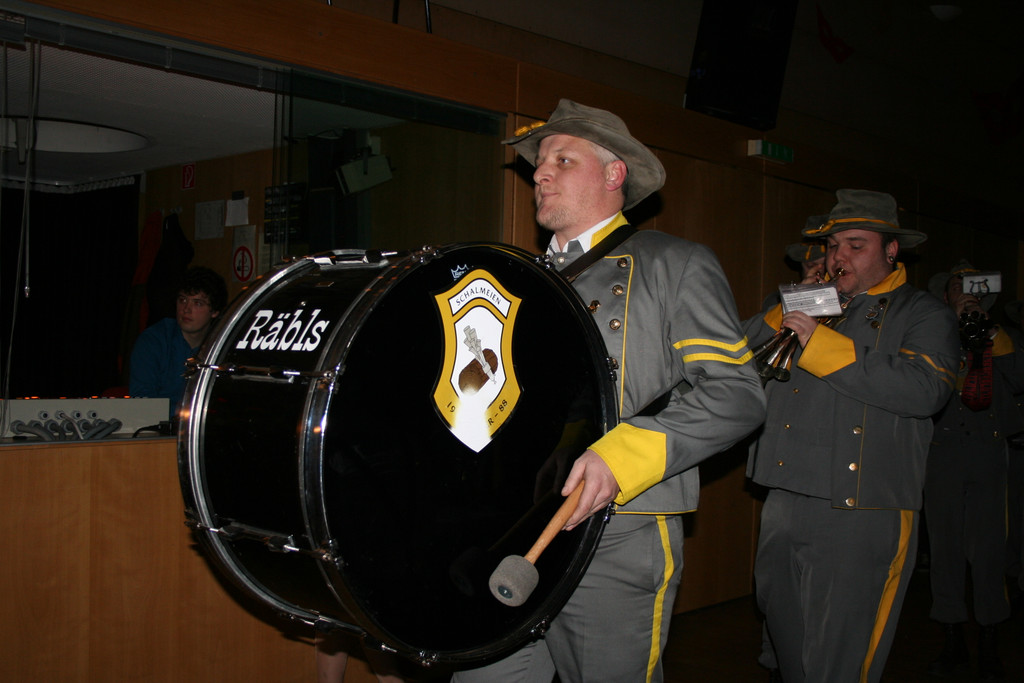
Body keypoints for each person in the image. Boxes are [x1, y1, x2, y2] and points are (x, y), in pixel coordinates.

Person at [451, 100, 766, 682]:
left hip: (620, 529)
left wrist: (625, 457)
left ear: (614, 173)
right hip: (512, 525)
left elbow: (737, 393)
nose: (541, 174)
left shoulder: (674, 263)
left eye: (562, 160)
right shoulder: (516, 282)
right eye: (540, 163)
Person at [744, 189, 960, 683]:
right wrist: (791, 306)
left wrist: (817, 341)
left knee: (839, 658)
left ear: (892, 250)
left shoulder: (922, 313)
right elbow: (733, 357)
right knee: (785, 643)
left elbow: (925, 389)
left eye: (856, 245)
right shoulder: (812, 302)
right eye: (833, 245)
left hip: (862, 504)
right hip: (785, 495)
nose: (838, 257)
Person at [922, 261, 1024, 681]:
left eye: (972, 287)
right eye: (956, 287)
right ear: (945, 296)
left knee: (990, 551)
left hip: (988, 453)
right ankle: (952, 639)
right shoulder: (931, 333)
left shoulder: (1004, 337)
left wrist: (989, 331)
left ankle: (989, 639)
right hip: (942, 453)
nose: (965, 293)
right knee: (944, 550)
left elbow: (1019, 378)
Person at [129, 265, 227, 419]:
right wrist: (186, 413)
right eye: (182, 300)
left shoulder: (222, 344)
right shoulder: (153, 341)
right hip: (159, 426)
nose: (186, 309)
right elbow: (141, 402)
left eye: (197, 303)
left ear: (215, 311)